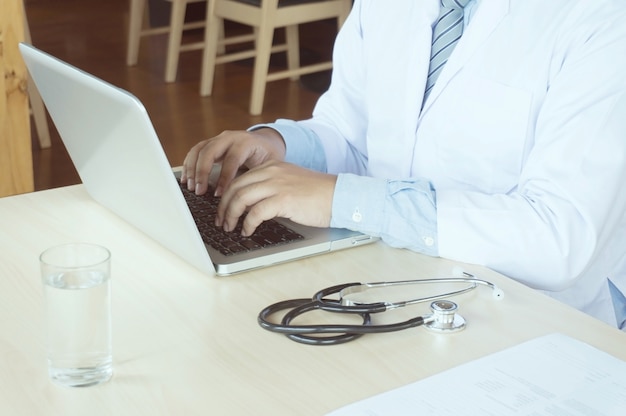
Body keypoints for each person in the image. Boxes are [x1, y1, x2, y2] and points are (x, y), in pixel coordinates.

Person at [182, 0, 626, 330]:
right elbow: (351, 134)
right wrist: (277, 146)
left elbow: (557, 237)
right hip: (395, 281)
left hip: (541, 319)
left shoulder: (603, 18)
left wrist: (341, 199)